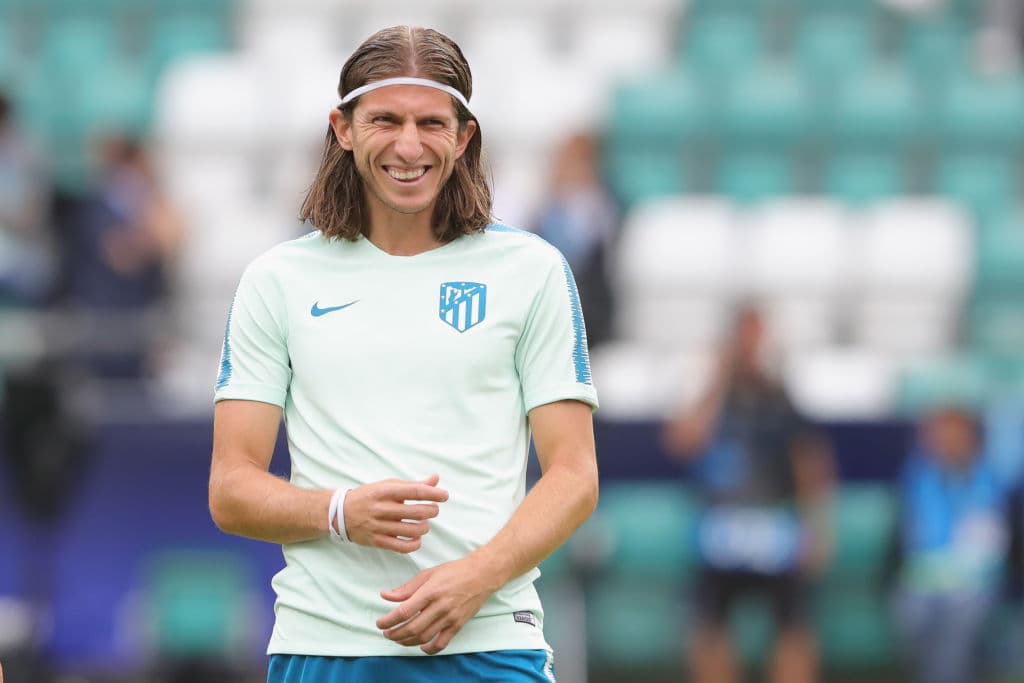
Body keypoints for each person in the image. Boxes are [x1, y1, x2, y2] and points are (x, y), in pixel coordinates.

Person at [207, 26, 599, 683]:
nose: (409, 145)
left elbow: (575, 474)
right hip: (324, 644)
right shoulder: (277, 280)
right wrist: (338, 512)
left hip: (489, 644)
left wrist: (475, 578)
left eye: (431, 123)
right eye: (385, 119)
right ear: (344, 127)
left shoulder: (531, 270)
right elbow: (230, 488)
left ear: (464, 136)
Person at [662, 306, 833, 683]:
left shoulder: (780, 397)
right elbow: (682, 440)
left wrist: (816, 529)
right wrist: (718, 381)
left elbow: (810, 462)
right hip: (720, 534)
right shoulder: (715, 398)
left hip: (775, 531)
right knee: (707, 624)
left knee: (796, 625)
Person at [889, 406, 1012, 683]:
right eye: (938, 436)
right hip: (924, 579)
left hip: (976, 580)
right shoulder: (916, 477)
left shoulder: (990, 478)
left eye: (952, 435)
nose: (944, 442)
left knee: (960, 617)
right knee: (913, 612)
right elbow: (907, 541)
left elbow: (994, 540)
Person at [531, 132, 618, 347]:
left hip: (588, 314)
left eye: (576, 162)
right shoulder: (544, 209)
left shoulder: (600, 207)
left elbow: (586, 257)